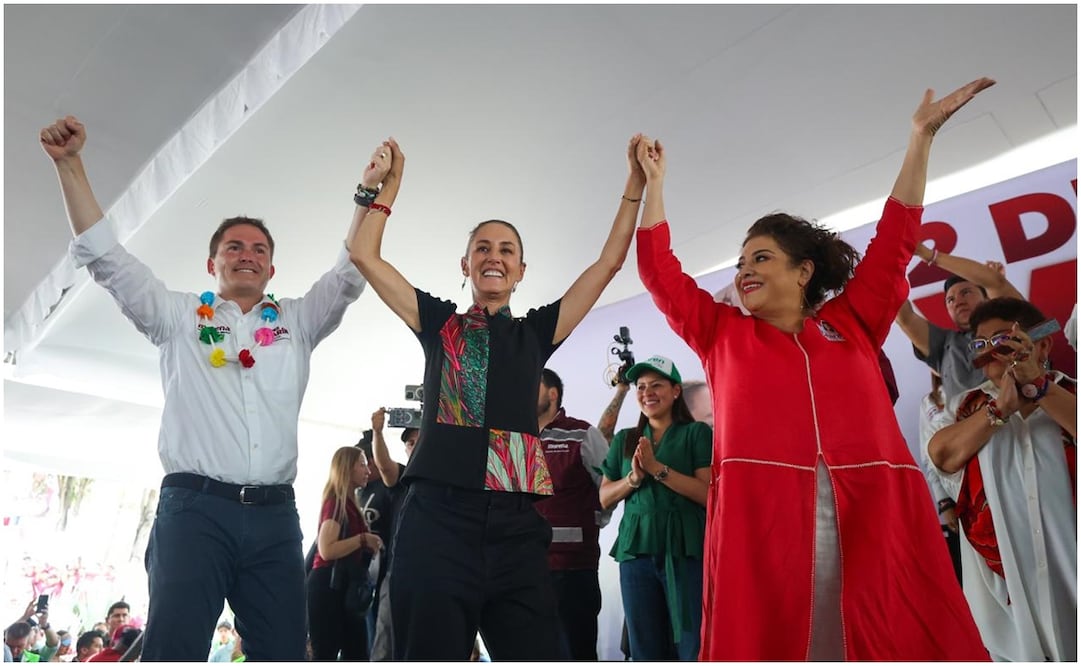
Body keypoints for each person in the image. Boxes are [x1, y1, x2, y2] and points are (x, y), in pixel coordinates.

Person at [634, 79, 996, 660]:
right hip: (766, 526)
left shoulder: (852, 322)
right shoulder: (721, 333)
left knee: (885, 635)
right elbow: (658, 271)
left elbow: (896, 238)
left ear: (803, 272)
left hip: (874, 517)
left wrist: (919, 139)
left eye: (762, 258)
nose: (746, 270)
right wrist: (655, 188)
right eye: (742, 260)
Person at [39, 115, 390, 660]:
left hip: (275, 518)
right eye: (234, 246)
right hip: (194, 512)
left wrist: (370, 195)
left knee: (284, 654)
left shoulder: (297, 322)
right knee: (174, 650)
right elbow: (107, 260)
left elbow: (351, 271)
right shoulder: (179, 317)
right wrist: (70, 165)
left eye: (258, 249)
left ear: (272, 268)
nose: (246, 253)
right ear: (213, 262)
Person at [347, 134, 643, 660]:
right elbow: (363, 253)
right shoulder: (441, 324)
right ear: (465, 265)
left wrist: (635, 186)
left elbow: (608, 263)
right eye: (482, 248)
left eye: (507, 250)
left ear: (521, 270)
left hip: (516, 527)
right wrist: (381, 189)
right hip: (436, 519)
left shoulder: (535, 334)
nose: (494, 257)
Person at [927, 297, 1077, 661]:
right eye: (981, 344)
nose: (991, 351)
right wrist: (1000, 408)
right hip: (1007, 613)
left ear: (1040, 344)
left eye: (1002, 339)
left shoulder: (1069, 395)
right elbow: (942, 455)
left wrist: (1038, 386)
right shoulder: (961, 409)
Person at [598, 356, 710, 660]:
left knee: (691, 645)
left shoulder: (697, 433)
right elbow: (605, 497)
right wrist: (633, 478)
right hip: (636, 555)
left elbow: (707, 494)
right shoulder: (626, 438)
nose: (647, 392)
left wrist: (657, 468)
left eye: (657, 385)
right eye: (641, 386)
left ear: (676, 391)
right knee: (645, 647)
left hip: (686, 552)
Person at [534, 368, 611, 660]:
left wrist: (593, 521)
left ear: (552, 394)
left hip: (572, 570)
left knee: (575, 653)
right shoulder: (515, 438)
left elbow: (608, 487)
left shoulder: (582, 433)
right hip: (525, 569)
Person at [896, 245, 1023, 401]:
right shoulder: (942, 344)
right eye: (950, 300)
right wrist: (889, 264)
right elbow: (905, 318)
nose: (958, 302)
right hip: (970, 424)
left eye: (966, 292)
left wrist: (928, 254)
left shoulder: (1010, 324)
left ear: (987, 297)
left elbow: (996, 283)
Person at [306, 446, 384, 660]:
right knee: (328, 652)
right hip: (329, 586)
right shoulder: (336, 503)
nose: (367, 470)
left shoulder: (349, 504)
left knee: (356, 651)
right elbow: (327, 549)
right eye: (362, 465)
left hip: (343, 586)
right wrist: (362, 540)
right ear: (346, 469)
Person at [364, 411, 418, 661]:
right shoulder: (404, 477)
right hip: (398, 572)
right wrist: (377, 432)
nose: (414, 446)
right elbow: (384, 465)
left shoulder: (447, 476)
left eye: (419, 439)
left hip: (440, 572)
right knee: (385, 646)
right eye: (409, 442)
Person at [919, 372, 962, 582]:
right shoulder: (929, 402)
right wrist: (944, 503)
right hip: (953, 494)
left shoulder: (975, 389)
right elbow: (928, 460)